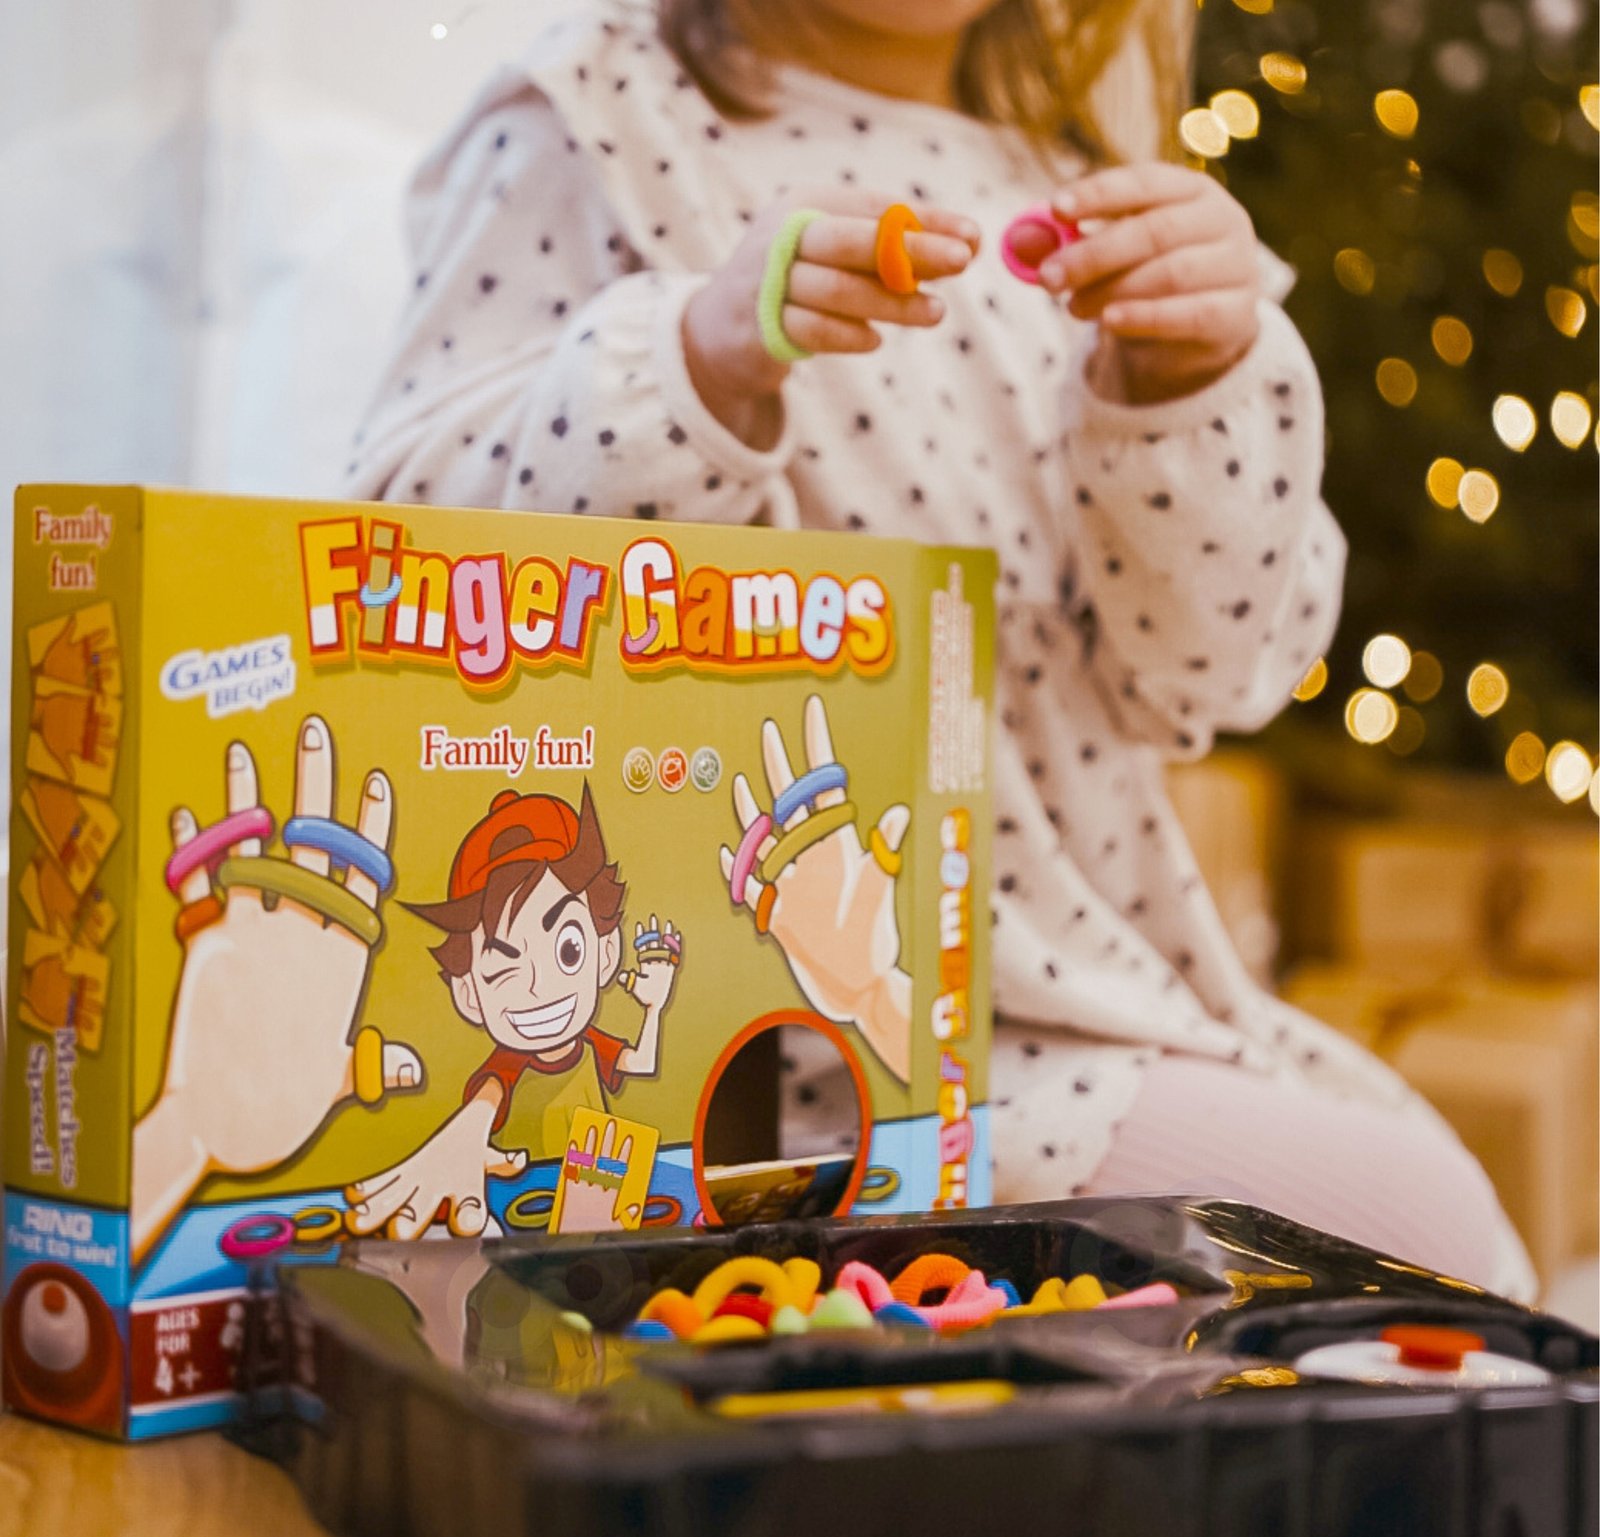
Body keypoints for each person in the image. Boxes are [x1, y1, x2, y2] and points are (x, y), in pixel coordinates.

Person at [346, 0, 1535, 1297]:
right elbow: (400, 575)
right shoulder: (593, 123)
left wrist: (1188, 388)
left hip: (1082, 988)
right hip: (776, 1069)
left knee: (1449, 1240)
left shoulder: (1066, 177)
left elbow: (1208, 676)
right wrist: (693, 363)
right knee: (1430, 1247)